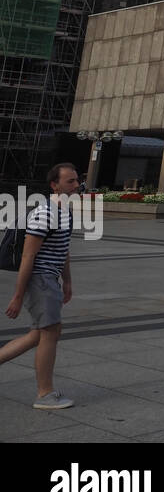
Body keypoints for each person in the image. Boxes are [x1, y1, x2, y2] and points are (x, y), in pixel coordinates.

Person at [0, 163, 79, 409]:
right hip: (40, 280)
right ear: (54, 185)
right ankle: (45, 394)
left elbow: (63, 249)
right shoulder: (45, 213)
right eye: (70, 181)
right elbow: (28, 256)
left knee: (40, 333)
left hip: (51, 280)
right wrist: (18, 295)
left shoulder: (64, 212)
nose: (76, 186)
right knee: (49, 333)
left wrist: (67, 280)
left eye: (77, 180)